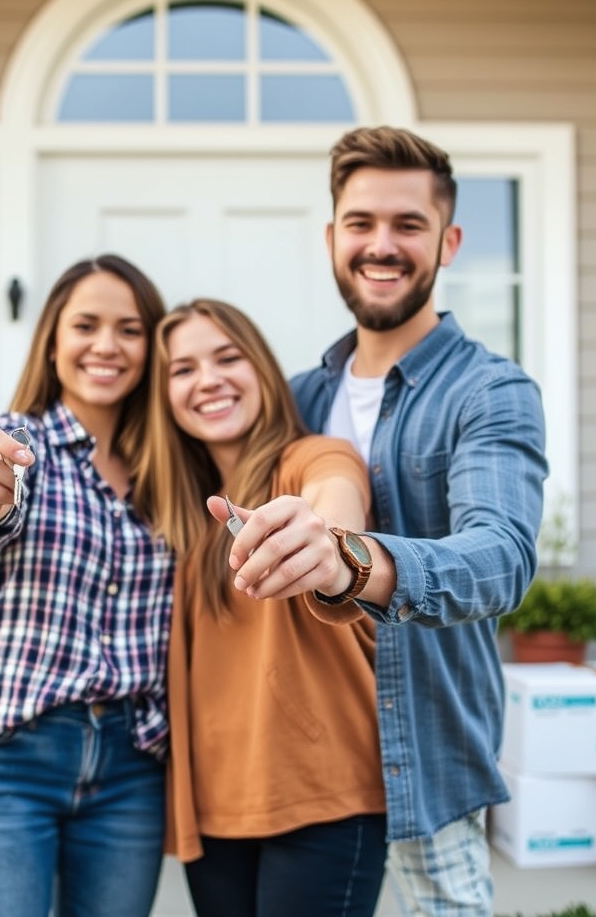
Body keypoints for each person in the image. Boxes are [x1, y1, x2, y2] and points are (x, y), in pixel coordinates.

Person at [229, 125, 548, 916]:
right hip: (303, 757)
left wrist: (353, 561)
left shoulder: (490, 393)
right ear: (332, 238)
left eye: (409, 224)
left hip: (425, 754)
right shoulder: (294, 396)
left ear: (449, 241)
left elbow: (500, 556)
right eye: (362, 224)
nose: (383, 245)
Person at [0, 254, 174, 917]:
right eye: (86, 325)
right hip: (8, 757)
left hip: (130, 767)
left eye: (128, 329)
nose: (106, 345)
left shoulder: (174, 471)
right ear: (53, 340)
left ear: (152, 345)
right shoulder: (19, 440)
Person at [134, 298, 388, 917]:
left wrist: (326, 541)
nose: (209, 379)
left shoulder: (308, 458)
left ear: (263, 370)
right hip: (216, 804)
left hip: (320, 793)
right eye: (183, 368)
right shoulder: (179, 508)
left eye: (227, 357)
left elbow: (336, 493)